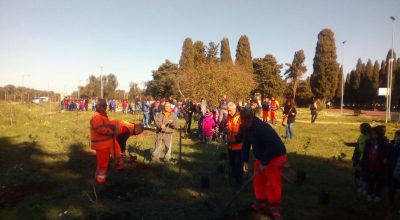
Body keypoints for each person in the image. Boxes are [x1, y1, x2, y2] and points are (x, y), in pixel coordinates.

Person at [239, 107, 287, 218]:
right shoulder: (246, 128)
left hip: (276, 155)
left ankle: (275, 207)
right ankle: (260, 202)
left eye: (246, 121)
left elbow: (273, 146)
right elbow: (246, 144)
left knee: (272, 182)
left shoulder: (262, 128)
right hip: (262, 157)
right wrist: (245, 160)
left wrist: (264, 163)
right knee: (258, 179)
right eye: (243, 121)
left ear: (251, 118)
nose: (245, 123)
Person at [90, 99, 124, 183]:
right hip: (101, 145)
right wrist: (110, 131)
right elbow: (100, 129)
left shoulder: (103, 116)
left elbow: (107, 125)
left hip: (109, 142)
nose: (104, 108)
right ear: (97, 106)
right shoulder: (96, 117)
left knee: (117, 153)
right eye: (102, 106)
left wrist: (114, 126)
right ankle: (100, 179)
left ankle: (119, 167)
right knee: (103, 162)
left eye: (105, 106)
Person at [361, 126, 390, 202]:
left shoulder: (384, 143)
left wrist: (384, 160)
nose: (372, 135)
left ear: (378, 134)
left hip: (379, 166)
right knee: (371, 180)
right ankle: (369, 193)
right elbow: (365, 153)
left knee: (379, 181)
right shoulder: (369, 142)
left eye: (374, 134)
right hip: (370, 164)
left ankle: (377, 195)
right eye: (372, 133)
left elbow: (386, 154)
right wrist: (364, 162)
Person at [226, 102, 243, 187]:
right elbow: (226, 126)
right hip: (230, 146)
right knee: (232, 164)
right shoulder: (228, 117)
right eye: (228, 111)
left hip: (239, 146)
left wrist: (232, 141)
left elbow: (242, 134)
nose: (229, 112)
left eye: (230, 111)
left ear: (235, 109)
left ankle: (239, 182)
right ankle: (232, 178)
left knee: (238, 165)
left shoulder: (240, 118)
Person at [351, 123, 372, 194]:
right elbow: (358, 144)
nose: (359, 129)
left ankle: (359, 185)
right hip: (357, 155)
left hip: (361, 157)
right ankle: (356, 183)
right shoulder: (362, 136)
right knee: (357, 170)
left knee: (359, 171)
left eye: (361, 128)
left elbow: (362, 148)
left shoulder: (366, 138)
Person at [388, 130, 400, 204]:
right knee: (392, 184)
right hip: (391, 166)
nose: (397, 138)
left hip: (398, 168)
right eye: (396, 136)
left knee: (396, 183)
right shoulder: (392, 144)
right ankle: (391, 199)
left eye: (398, 136)